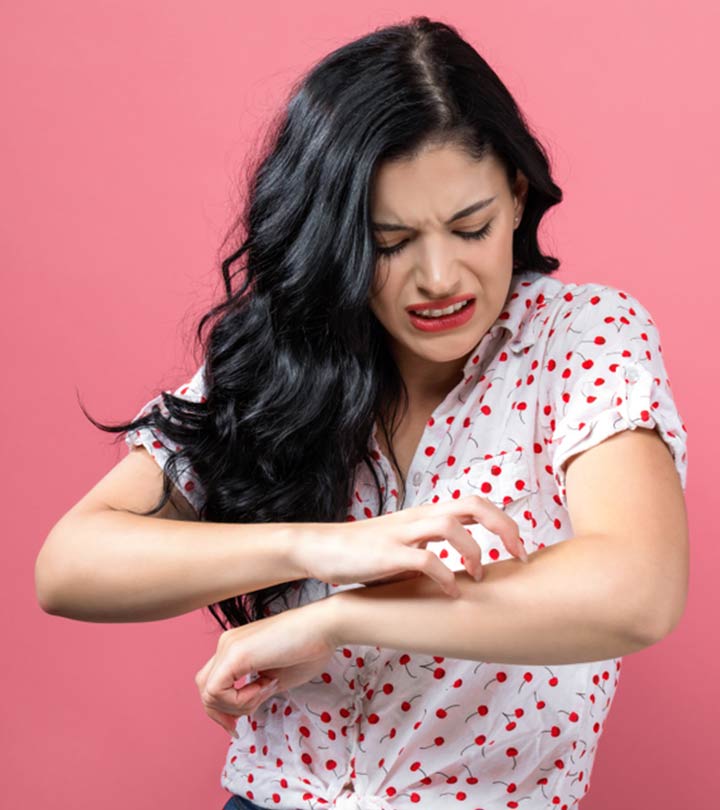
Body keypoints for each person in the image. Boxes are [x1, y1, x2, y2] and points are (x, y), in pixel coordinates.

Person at [35, 15, 689, 810]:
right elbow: (69, 566)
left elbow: (637, 588)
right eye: (389, 242)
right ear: (334, 240)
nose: (440, 276)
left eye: (471, 226)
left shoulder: (582, 336)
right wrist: (327, 547)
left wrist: (341, 620)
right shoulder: (287, 359)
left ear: (518, 199)